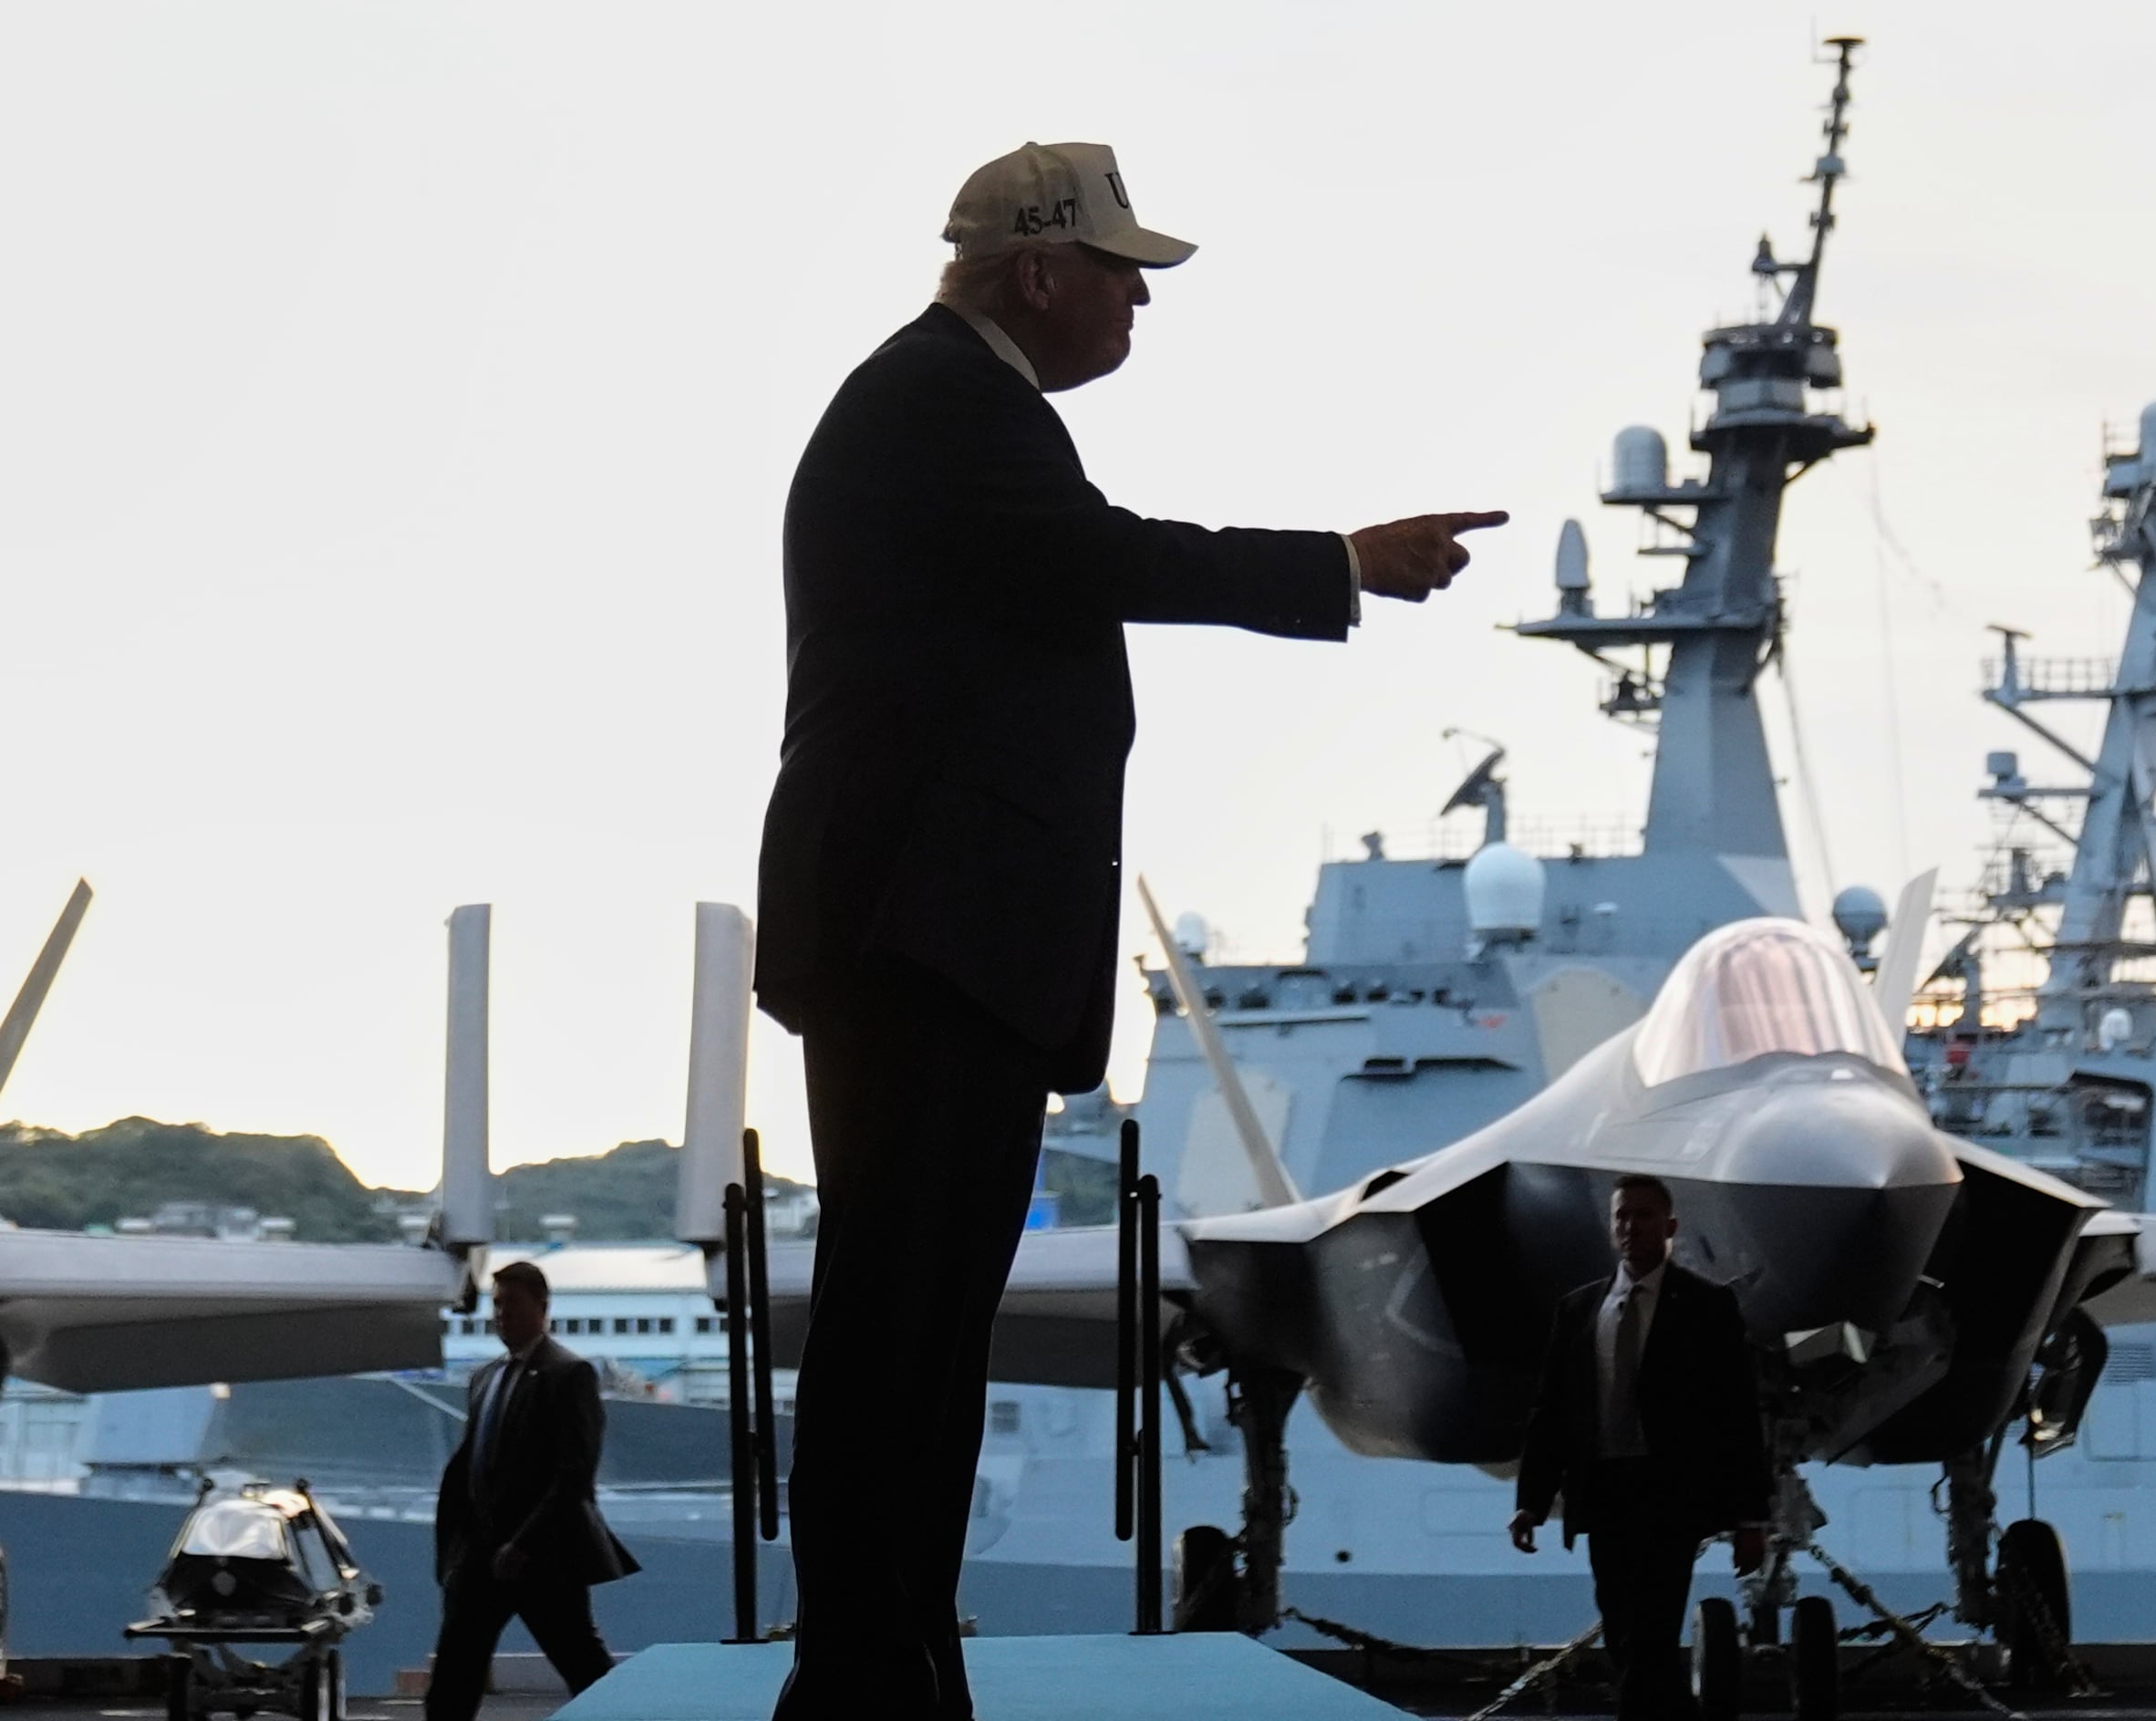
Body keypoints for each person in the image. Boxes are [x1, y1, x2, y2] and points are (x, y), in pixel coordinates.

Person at [752, 140, 1503, 1721]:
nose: (1140, 304)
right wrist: (1339, 565)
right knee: (903, 1326)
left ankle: (895, 1660)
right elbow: (1104, 557)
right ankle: (864, 1679)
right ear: (1040, 270)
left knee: (921, 1326)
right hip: (930, 938)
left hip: (938, 937)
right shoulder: (950, 403)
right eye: (1122, 273)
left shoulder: (945, 403)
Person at [1511, 1176, 1770, 1721]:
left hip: (1671, 1494)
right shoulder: (1580, 1309)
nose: (1631, 1226)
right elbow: (1552, 1412)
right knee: (1623, 1628)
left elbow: (1738, 1416)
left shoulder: (1707, 1305)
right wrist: (1531, 1501)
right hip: (1604, 1493)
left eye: (1644, 1215)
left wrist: (1750, 1517)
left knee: (1652, 1627)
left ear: (1670, 1225)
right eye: (1622, 1216)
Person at [426, 1263, 637, 1721]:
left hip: (544, 1557)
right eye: (497, 1304)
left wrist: (524, 1543)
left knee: (584, 1666)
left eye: (513, 1304)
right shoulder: (485, 1378)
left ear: (543, 1308)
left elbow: (574, 1474)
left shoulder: (569, 1374)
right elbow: (472, 1465)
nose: (503, 1314)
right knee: (452, 1682)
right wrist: (459, 1548)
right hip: (480, 1555)